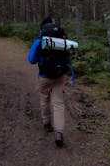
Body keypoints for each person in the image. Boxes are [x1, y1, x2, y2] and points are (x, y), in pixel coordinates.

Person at [28, 17, 70, 148]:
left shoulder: (40, 40)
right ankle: (59, 133)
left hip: (44, 76)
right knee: (58, 104)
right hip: (58, 76)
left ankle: (47, 124)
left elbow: (31, 60)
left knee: (44, 99)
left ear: (42, 28)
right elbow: (67, 57)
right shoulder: (60, 40)